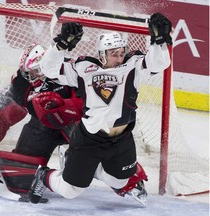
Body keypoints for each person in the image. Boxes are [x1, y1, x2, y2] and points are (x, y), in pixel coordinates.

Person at [28, 12, 172, 206]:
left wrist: (159, 42)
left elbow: (160, 63)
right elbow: (49, 69)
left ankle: (95, 169)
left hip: (121, 139)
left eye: (121, 53)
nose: (119, 58)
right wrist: (60, 45)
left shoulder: (133, 66)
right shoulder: (83, 68)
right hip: (89, 139)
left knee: (120, 181)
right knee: (71, 191)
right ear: (101, 55)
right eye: (114, 54)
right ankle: (45, 176)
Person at [0, 43, 83, 195]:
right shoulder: (21, 82)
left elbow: (88, 104)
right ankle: (45, 178)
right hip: (42, 127)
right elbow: (1, 114)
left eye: (35, 71)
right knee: (22, 169)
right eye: (28, 73)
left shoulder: (68, 69)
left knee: (88, 154)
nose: (31, 77)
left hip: (74, 120)